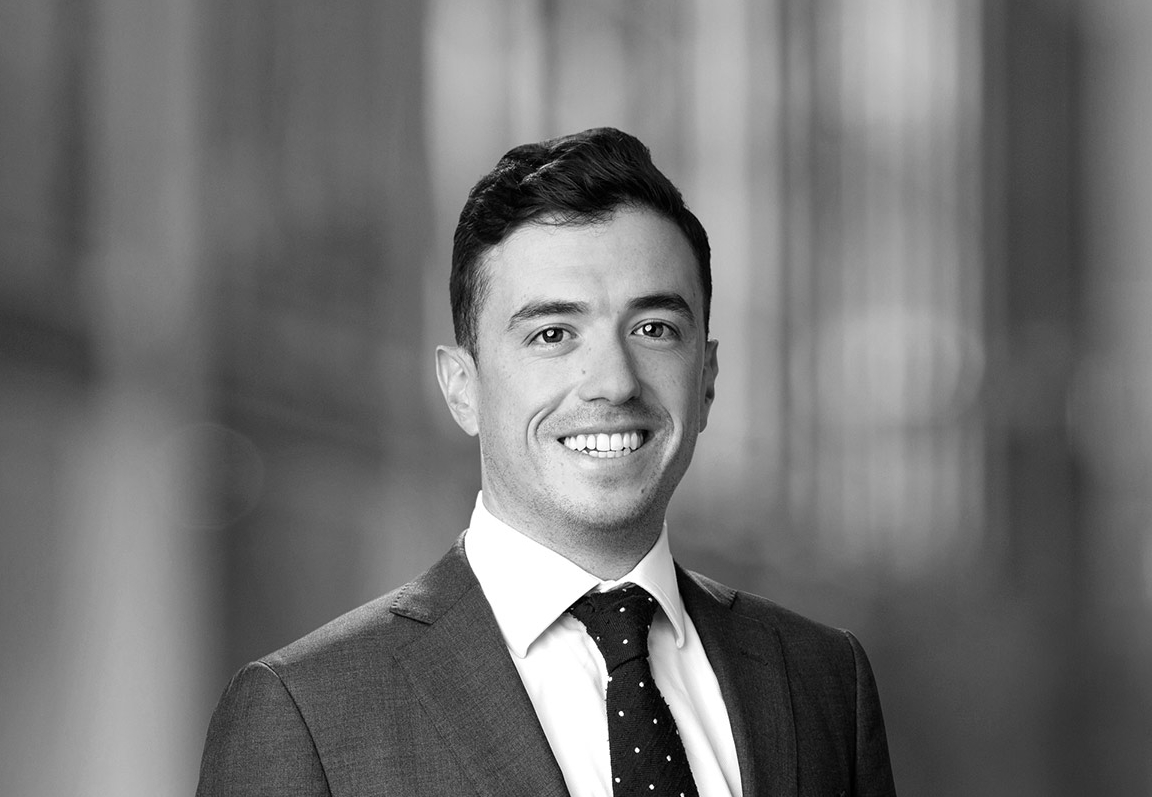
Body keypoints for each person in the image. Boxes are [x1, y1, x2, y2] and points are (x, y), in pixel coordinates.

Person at [195, 127, 897, 796]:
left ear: (706, 379)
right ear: (462, 388)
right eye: (553, 334)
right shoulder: (308, 714)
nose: (613, 382)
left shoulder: (821, 679)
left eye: (654, 328)